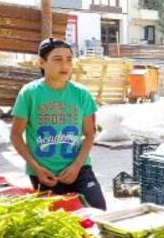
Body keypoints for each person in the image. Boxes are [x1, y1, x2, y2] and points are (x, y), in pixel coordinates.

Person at [10, 38, 106, 210]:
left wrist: (76, 166)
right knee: (59, 217)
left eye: (69, 59)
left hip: (79, 167)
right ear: (42, 63)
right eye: (57, 59)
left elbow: (90, 133)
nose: (65, 65)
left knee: (98, 210)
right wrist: (36, 168)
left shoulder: (81, 94)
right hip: (44, 172)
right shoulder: (29, 93)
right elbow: (16, 136)